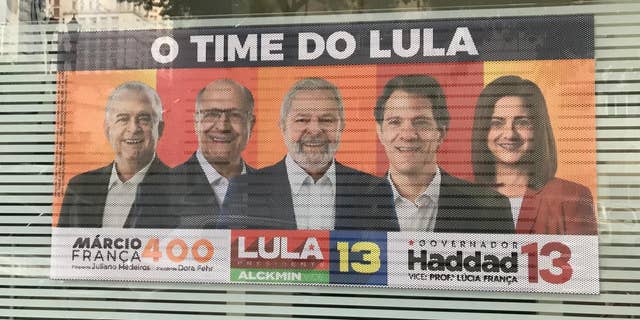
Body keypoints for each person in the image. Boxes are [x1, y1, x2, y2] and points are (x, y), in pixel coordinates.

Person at [221, 77, 398, 230]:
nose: (314, 130)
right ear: (282, 126)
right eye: (302, 119)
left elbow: (389, 263)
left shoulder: (375, 192)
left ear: (341, 126)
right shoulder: (244, 190)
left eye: (326, 120)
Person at [375, 74, 513, 233]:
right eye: (395, 122)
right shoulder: (351, 204)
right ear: (380, 132)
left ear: (440, 133)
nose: (407, 135)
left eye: (420, 122)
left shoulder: (491, 209)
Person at [472, 75, 597, 234]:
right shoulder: (461, 197)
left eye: (522, 122)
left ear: (537, 129)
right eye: (497, 123)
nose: (509, 134)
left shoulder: (573, 197)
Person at [134, 79, 256, 228]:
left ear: (251, 124)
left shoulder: (273, 189)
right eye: (211, 114)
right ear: (196, 122)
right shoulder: (157, 190)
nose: (223, 126)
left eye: (235, 115)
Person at [58, 81, 171, 228]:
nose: (133, 128)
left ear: (160, 129)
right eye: (123, 119)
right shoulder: (79, 187)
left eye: (143, 119)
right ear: (107, 129)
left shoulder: (179, 189)